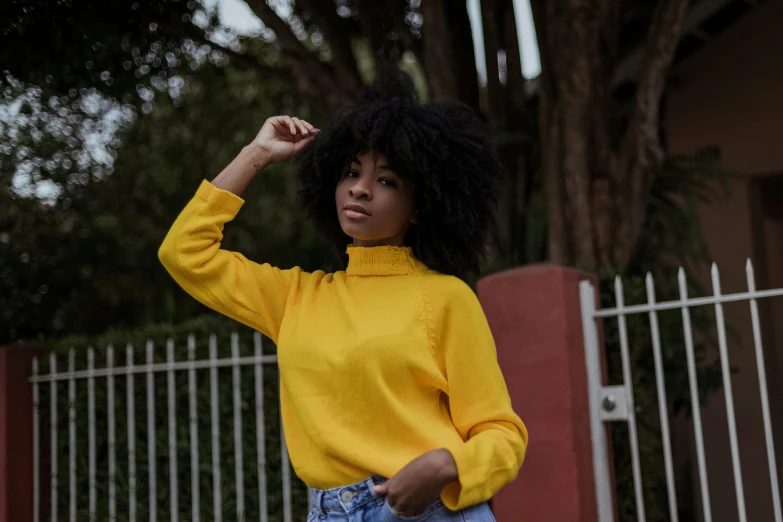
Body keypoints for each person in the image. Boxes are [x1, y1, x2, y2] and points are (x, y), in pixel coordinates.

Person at [159, 63, 527, 522]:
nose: (360, 189)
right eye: (352, 172)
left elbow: (501, 432)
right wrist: (255, 154)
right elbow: (183, 253)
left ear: (419, 207)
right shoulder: (294, 298)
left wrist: (449, 463)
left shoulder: (446, 299)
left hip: (428, 511)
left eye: (387, 180)